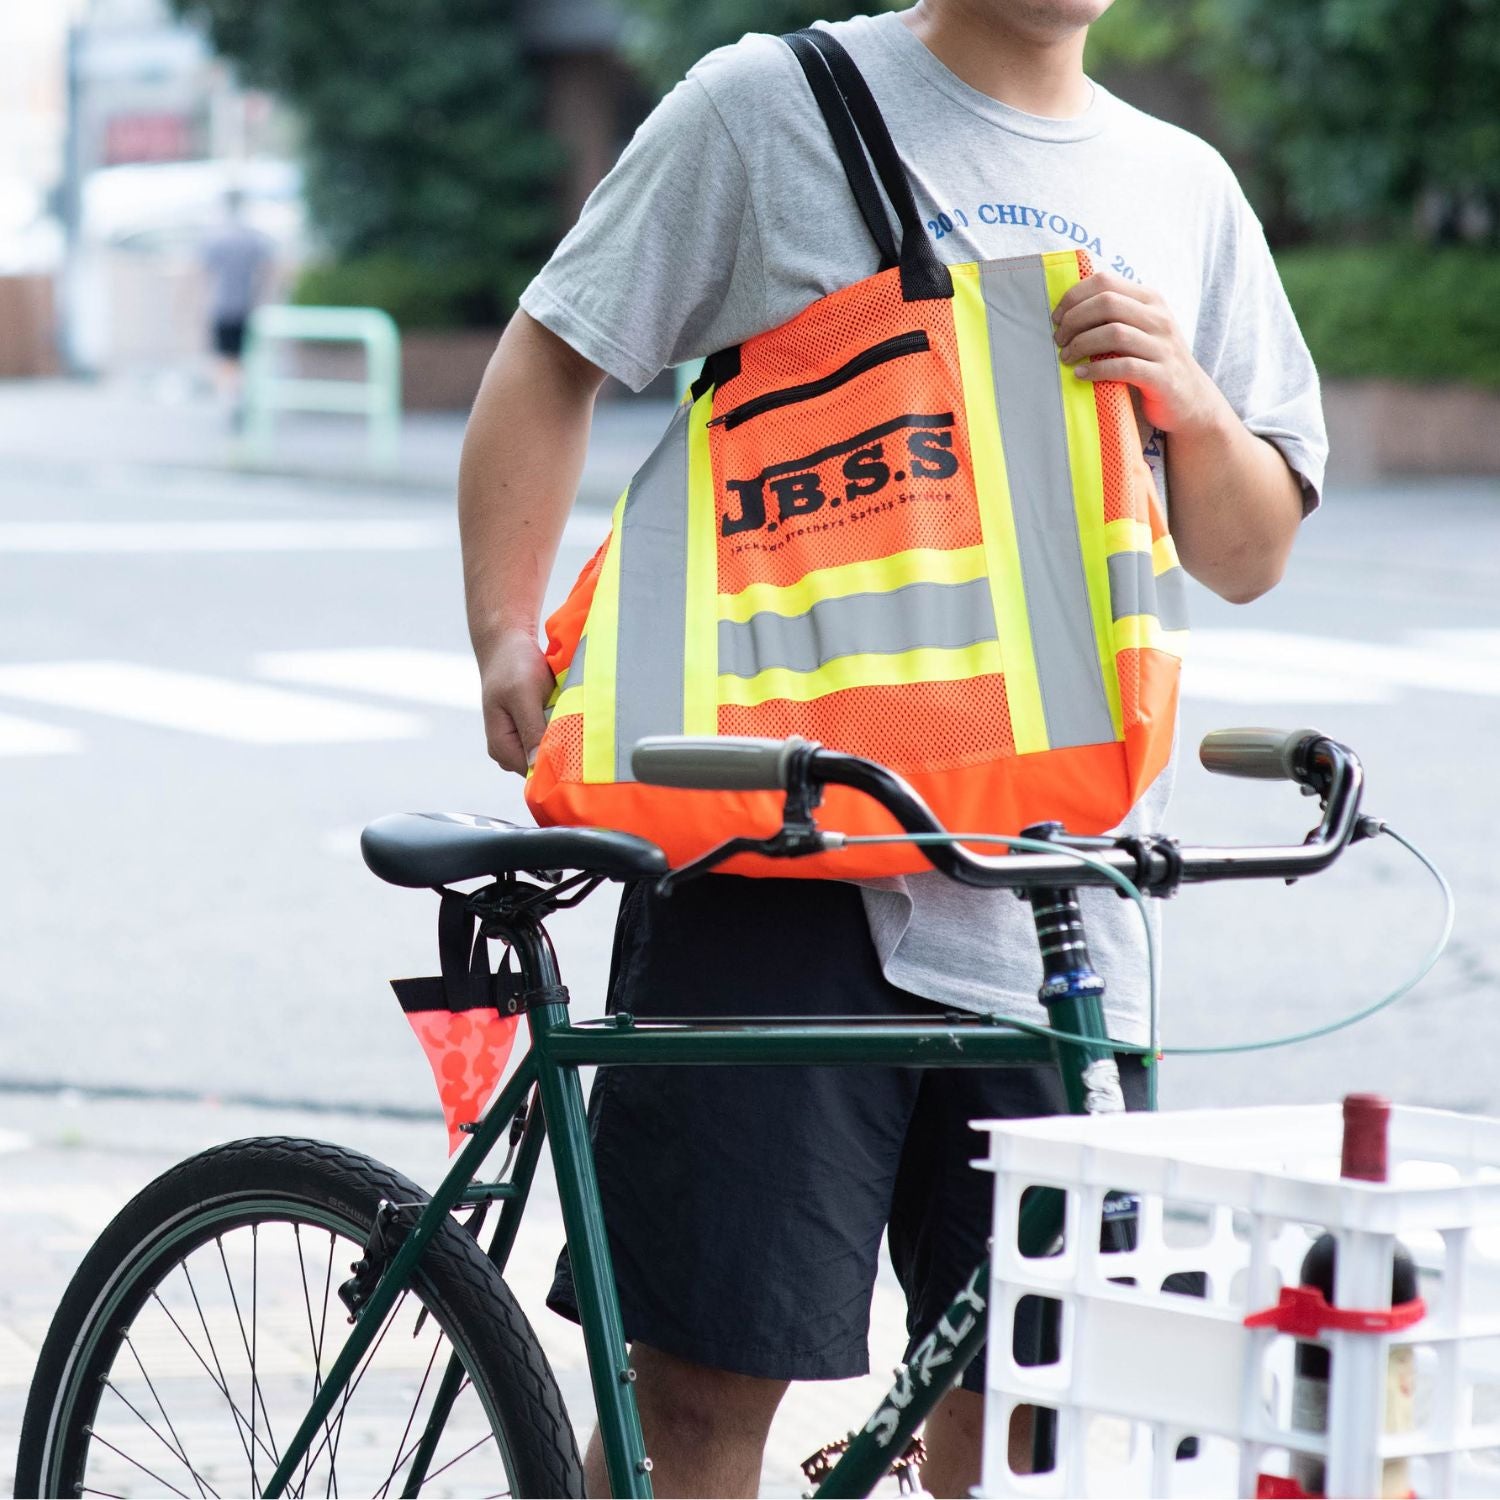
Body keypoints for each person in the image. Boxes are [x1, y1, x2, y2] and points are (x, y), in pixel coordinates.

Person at [457, 2, 1326, 1494]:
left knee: (1025, 1422)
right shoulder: (764, 109)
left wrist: (1187, 402)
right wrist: (503, 629)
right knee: (705, 1411)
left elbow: (1249, 552)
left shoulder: (1182, 185)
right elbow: (551, 354)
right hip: (771, 866)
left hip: (1057, 893)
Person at [200, 188, 273, 409]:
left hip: (223, 307)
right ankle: (240, 397)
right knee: (244, 357)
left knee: (226, 359)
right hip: (248, 307)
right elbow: (271, 268)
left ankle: (231, 399)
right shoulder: (254, 238)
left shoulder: (217, 238)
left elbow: (201, 273)